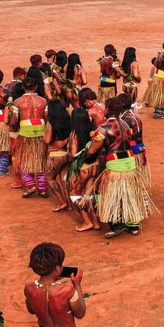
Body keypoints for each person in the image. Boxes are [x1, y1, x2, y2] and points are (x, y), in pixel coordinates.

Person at [83, 97, 154, 237]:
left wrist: (83, 156)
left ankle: (116, 224)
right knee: (129, 193)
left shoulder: (104, 128)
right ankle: (133, 225)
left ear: (107, 109)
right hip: (130, 162)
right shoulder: (126, 124)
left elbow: (92, 150)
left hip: (115, 165)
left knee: (107, 193)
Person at [70, 89, 105, 232]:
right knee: (88, 195)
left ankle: (87, 221)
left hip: (83, 168)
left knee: (74, 195)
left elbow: (74, 155)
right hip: (94, 166)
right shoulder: (93, 134)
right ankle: (96, 222)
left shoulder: (75, 135)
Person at [11, 76, 50, 198]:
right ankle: (42, 189)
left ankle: (30, 185)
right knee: (41, 161)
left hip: (25, 134)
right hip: (41, 133)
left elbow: (13, 121)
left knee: (23, 161)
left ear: (23, 87)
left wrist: (14, 129)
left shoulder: (18, 102)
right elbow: (47, 119)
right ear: (36, 87)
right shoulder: (43, 101)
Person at [117, 93, 151, 188]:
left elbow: (125, 137)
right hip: (140, 147)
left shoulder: (124, 119)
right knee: (138, 179)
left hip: (132, 149)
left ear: (122, 104)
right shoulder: (136, 116)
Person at [44, 99, 73, 212]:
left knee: (49, 178)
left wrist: (43, 136)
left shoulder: (51, 123)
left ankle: (62, 202)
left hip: (55, 156)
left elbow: (47, 140)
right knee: (64, 180)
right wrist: (65, 142)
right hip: (66, 154)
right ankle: (70, 205)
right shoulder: (68, 120)